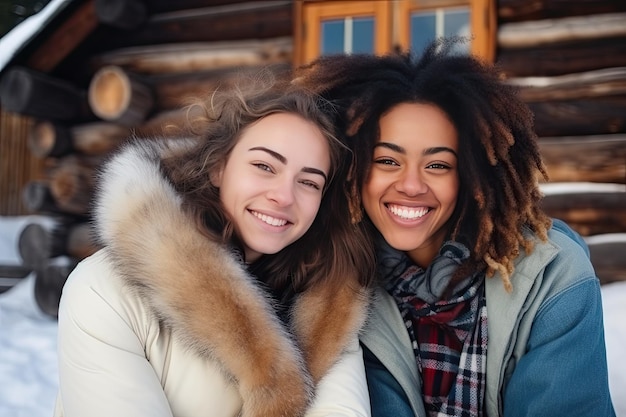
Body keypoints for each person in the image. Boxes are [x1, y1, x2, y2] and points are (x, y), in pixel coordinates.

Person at [296, 39, 616, 416]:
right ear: (352, 168)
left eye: (438, 165)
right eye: (386, 160)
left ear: (473, 175)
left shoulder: (552, 275)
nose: (411, 185)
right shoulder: (335, 281)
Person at [53, 75, 375, 417]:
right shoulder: (103, 288)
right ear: (219, 167)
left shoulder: (328, 302)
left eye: (309, 182)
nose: (283, 196)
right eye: (264, 166)